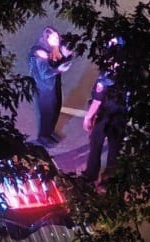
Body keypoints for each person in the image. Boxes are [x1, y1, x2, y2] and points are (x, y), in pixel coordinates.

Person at [82, 37, 128, 187]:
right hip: (121, 116)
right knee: (114, 149)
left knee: (96, 145)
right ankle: (108, 181)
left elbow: (97, 100)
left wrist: (87, 118)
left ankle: (91, 176)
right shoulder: (130, 74)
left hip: (104, 116)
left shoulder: (105, 77)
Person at [28, 26, 73, 147]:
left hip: (53, 85)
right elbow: (45, 73)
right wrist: (59, 70)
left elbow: (60, 60)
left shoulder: (54, 49)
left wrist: (67, 56)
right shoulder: (40, 52)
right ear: (46, 38)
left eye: (57, 37)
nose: (57, 39)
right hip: (45, 88)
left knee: (56, 108)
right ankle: (43, 137)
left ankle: (49, 132)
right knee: (48, 113)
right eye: (53, 38)